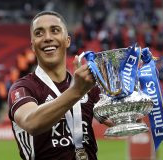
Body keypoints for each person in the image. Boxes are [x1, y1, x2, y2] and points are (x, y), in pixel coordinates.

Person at [8, 11, 108, 160]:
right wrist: (76, 91)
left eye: (55, 30)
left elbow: (120, 121)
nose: (48, 38)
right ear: (33, 46)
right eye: (39, 33)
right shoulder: (23, 88)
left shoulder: (86, 86)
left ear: (67, 40)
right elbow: (32, 122)